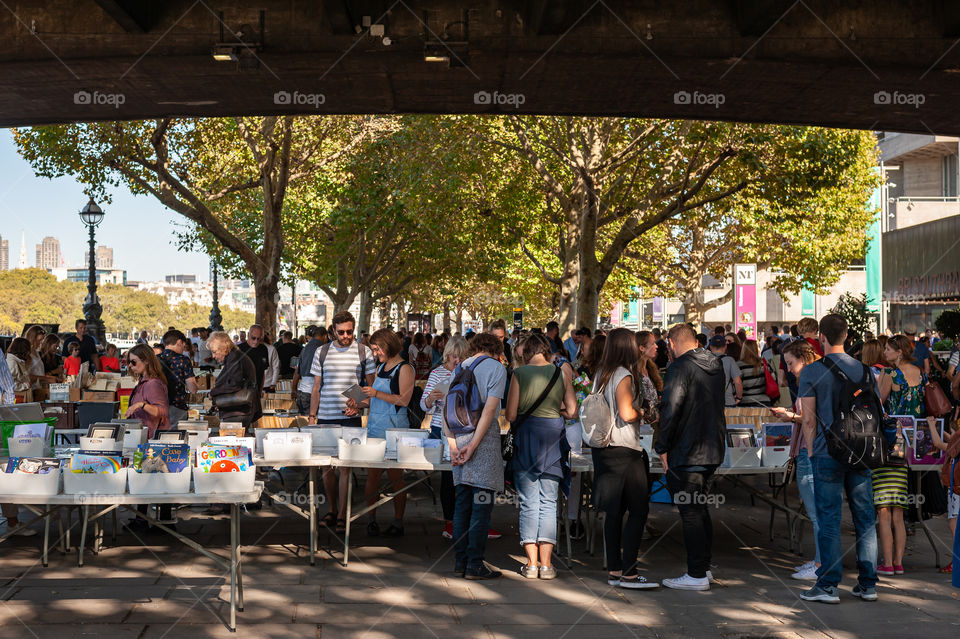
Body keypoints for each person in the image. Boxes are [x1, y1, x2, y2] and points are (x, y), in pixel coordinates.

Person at [798, 314, 879, 604]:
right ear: (846, 336)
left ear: (821, 337)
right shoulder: (867, 371)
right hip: (862, 451)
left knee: (829, 517)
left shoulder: (811, 372)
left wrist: (809, 450)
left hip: (827, 451)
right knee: (865, 517)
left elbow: (808, 420)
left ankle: (829, 585)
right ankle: (868, 584)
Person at [656, 323, 725, 591]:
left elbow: (671, 408)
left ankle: (696, 573)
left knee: (691, 512)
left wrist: (662, 446)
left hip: (687, 449)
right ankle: (702, 568)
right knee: (699, 508)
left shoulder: (679, 367)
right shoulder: (715, 364)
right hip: (711, 447)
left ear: (671, 344)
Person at [589, 328, 659, 589]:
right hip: (624, 449)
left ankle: (616, 570)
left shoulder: (601, 374)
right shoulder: (624, 374)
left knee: (614, 512)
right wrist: (646, 414)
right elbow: (627, 413)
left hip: (604, 449)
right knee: (639, 510)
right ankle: (629, 572)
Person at [505, 333, 577, 580]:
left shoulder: (519, 374)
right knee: (549, 502)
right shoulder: (561, 373)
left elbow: (511, 415)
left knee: (528, 503)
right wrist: (553, 409)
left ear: (526, 352)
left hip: (527, 440)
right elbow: (572, 410)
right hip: (553, 440)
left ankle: (532, 563)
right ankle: (547, 565)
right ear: (546, 350)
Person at [445, 332, 508, 580]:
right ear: (496, 349)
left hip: (458, 439)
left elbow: (446, 410)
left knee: (462, 505)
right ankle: (474, 563)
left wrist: (453, 446)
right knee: (481, 507)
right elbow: (490, 412)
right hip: (484, 443)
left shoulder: (459, 367)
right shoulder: (496, 368)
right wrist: (473, 447)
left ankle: (460, 562)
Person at [308, 312, 377, 532]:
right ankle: (332, 509)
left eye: (349, 332)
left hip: (351, 417)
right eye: (341, 332)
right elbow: (316, 387)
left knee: (346, 467)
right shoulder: (322, 351)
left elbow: (371, 389)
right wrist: (312, 416)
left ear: (354, 330)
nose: (345, 336)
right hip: (326, 416)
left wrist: (360, 404)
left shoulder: (363, 351)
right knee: (326, 468)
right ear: (333, 331)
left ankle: (342, 514)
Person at [350, 329, 415, 537]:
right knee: (373, 474)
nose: (375, 353)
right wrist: (358, 403)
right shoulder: (380, 367)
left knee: (396, 476)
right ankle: (372, 519)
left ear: (388, 346)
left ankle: (398, 520)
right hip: (375, 426)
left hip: (395, 428)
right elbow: (374, 400)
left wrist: (376, 393)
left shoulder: (405, 368)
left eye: (377, 349)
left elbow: (403, 400)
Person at [770, 339, 822, 580]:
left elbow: (810, 418)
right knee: (815, 511)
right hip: (806, 449)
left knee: (816, 512)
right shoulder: (811, 378)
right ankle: (820, 559)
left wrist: (789, 415)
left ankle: (822, 563)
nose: (788, 369)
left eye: (790, 363)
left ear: (803, 359)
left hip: (809, 451)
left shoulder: (812, 380)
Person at [874, 334, 924, 577]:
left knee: (883, 508)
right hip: (911, 443)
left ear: (899, 352)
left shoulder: (889, 374)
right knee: (899, 511)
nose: (885, 352)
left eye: (888, 349)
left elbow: (879, 403)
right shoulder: (919, 374)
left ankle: (887, 563)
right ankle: (899, 562)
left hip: (889, 442)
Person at [422, 335, 469, 539]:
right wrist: (431, 398)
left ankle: (469, 520)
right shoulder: (436, 373)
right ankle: (449, 521)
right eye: (452, 357)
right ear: (447, 355)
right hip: (440, 429)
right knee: (448, 477)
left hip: (464, 429)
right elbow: (423, 405)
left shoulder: (469, 373)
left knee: (467, 477)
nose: (456, 361)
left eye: (460, 357)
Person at [124, 344, 171, 438]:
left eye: (133, 362)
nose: (130, 365)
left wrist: (141, 405)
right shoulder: (144, 382)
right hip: (145, 436)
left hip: (152, 439)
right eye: (129, 362)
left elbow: (162, 411)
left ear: (146, 361)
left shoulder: (153, 384)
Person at [157, 330, 198, 427]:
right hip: (177, 407)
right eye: (184, 346)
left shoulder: (155, 359)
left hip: (156, 406)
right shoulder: (183, 359)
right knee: (176, 437)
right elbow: (193, 389)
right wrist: (195, 383)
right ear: (179, 342)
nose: (184, 349)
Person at [292, 326, 324, 415]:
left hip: (302, 392)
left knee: (303, 423)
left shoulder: (305, 349)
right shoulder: (322, 349)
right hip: (313, 394)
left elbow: (297, 372)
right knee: (313, 424)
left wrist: (294, 389)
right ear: (324, 336)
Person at [709, 335, 743, 407]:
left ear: (710, 347)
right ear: (725, 346)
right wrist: (739, 397)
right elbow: (738, 382)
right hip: (727, 401)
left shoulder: (703, 360)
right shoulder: (729, 360)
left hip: (709, 403)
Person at [737, 339, 772, 407]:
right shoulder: (763, 363)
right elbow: (773, 378)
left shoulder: (739, 365)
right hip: (763, 401)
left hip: (745, 401)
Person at [237, 324, 270, 392]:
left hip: (257, 389)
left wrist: (260, 390)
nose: (256, 341)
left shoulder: (263, 349)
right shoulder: (239, 349)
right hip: (242, 390)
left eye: (259, 339)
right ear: (248, 335)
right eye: (253, 338)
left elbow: (262, 372)